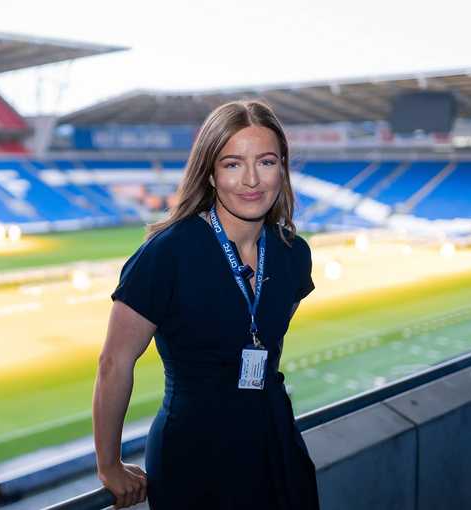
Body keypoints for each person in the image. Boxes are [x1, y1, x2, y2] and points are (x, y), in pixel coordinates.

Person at [92, 100, 320, 509]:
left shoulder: (293, 253)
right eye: (232, 164)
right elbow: (114, 362)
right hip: (195, 453)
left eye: (266, 162)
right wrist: (109, 465)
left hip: (274, 442)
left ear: (282, 168)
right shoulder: (166, 254)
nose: (251, 180)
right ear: (210, 173)